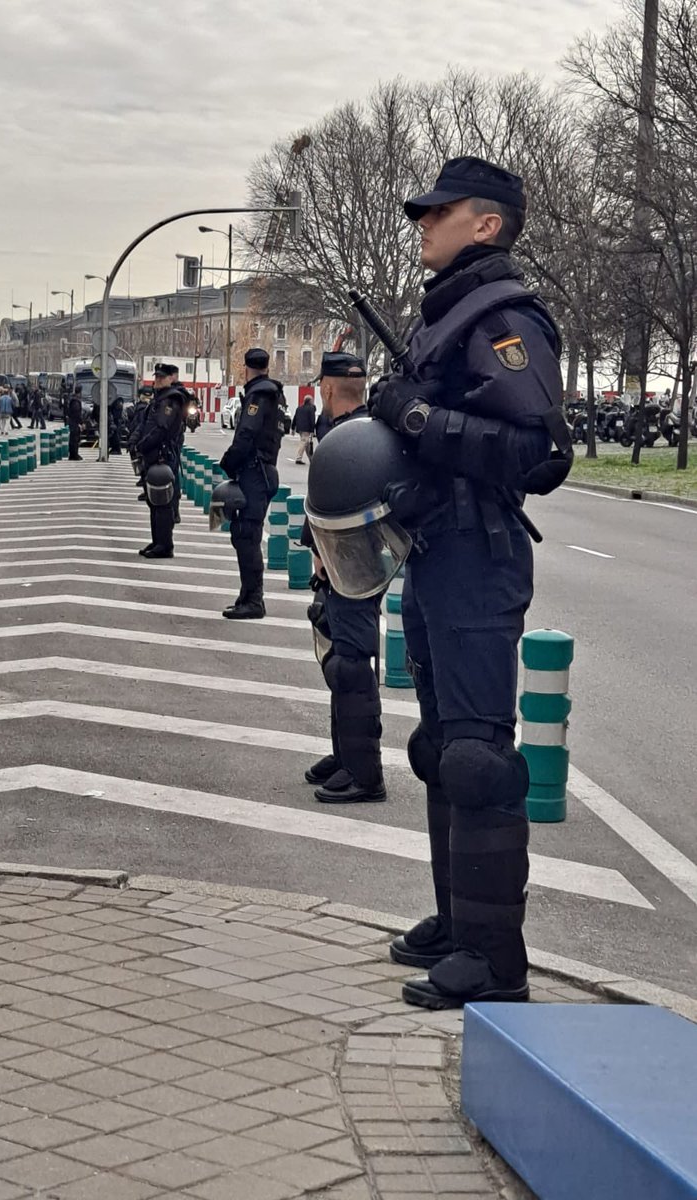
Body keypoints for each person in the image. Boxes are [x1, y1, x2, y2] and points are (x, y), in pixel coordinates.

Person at [364, 156, 571, 1010]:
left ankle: (496, 961)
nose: (424, 224)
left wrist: (415, 414)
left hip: (478, 556)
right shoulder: (447, 316)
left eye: (438, 213)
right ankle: (459, 922)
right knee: (442, 752)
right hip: (435, 549)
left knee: (480, 761)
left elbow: (540, 453)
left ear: (485, 224)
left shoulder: (504, 317)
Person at [304, 353, 387, 805]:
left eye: (321, 386)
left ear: (330, 388)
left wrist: (321, 553)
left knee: (352, 666)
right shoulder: (364, 433)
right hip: (347, 562)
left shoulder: (350, 437)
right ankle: (345, 755)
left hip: (352, 566)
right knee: (340, 658)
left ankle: (365, 772)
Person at [219, 348, 288, 619]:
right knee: (245, 535)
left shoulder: (258, 394)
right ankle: (247, 595)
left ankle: (254, 600)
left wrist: (228, 463)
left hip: (255, 473)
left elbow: (247, 432)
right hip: (264, 471)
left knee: (247, 535)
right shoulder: (275, 393)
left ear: (245, 368)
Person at [136, 363, 187, 557]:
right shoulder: (159, 399)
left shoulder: (170, 400)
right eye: (156, 377)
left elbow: (162, 430)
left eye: (161, 377)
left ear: (169, 379)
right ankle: (157, 541)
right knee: (153, 502)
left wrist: (144, 444)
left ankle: (165, 545)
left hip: (162, 456)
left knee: (163, 504)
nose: (157, 380)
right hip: (154, 456)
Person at [293, 394, 317, 463]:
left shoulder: (299, 408)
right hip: (306, 429)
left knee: (307, 444)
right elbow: (312, 419)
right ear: (310, 401)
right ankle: (298, 458)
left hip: (300, 428)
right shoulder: (311, 408)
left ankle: (311, 458)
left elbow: (295, 418)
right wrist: (313, 430)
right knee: (304, 442)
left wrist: (293, 427)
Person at [68, 385, 84, 459]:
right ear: (79, 392)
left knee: (74, 439)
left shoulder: (74, 400)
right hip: (74, 423)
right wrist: (81, 422)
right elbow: (77, 413)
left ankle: (74, 454)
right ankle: (74, 455)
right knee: (74, 439)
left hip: (73, 422)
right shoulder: (76, 401)